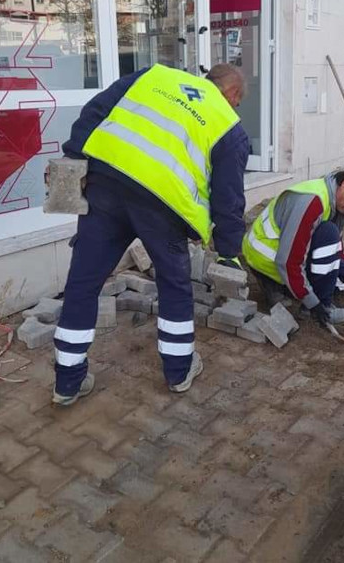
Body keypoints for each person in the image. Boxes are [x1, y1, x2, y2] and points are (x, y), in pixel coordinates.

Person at [51, 63, 251, 406]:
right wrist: (229, 252)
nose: (235, 107)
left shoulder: (154, 76)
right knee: (174, 285)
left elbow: (97, 109)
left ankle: (67, 383)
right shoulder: (228, 125)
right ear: (233, 94)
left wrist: (74, 156)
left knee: (83, 283)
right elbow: (228, 199)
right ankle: (178, 372)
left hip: (107, 187)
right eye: (237, 101)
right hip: (163, 208)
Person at [242, 166, 344, 326]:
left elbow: (335, 246)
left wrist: (337, 268)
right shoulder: (312, 202)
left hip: (283, 253)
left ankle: (283, 290)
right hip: (266, 257)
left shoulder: (336, 202)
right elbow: (287, 261)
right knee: (328, 233)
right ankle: (320, 304)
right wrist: (314, 304)